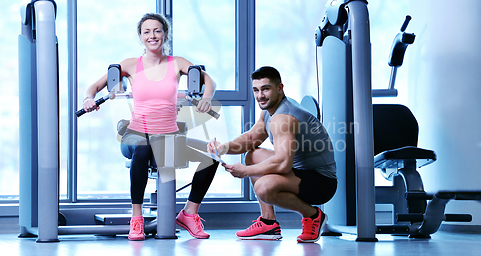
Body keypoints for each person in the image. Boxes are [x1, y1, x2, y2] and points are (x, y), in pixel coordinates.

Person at [82, 13, 219, 240]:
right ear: (140, 36)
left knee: (211, 156)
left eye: (157, 31)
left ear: (165, 34)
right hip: (136, 134)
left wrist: (206, 97)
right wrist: (88, 99)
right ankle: (137, 219)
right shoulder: (129, 65)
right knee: (144, 146)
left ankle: (189, 213)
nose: (152, 35)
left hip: (167, 136)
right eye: (147, 31)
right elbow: (94, 87)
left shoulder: (177, 63)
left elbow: (208, 81)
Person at [209, 66, 337, 243]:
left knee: (263, 187)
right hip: (300, 171)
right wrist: (222, 148)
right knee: (252, 154)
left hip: (321, 182)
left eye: (266, 89)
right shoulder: (271, 110)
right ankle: (268, 223)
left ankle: (313, 215)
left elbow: (283, 163)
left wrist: (246, 171)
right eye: (256, 90)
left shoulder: (283, 118)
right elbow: (251, 138)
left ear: (280, 88)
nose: (260, 95)